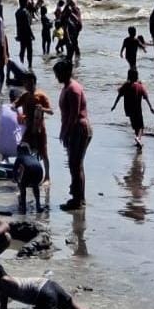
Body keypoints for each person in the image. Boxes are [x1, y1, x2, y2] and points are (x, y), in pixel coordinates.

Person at [54, 60, 90, 211]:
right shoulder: (67, 87)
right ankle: (79, 197)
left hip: (79, 129)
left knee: (75, 165)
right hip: (74, 129)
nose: (56, 76)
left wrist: (65, 132)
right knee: (75, 164)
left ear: (67, 72)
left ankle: (78, 200)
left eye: (58, 73)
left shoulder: (73, 89)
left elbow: (74, 115)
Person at [111, 68, 154, 150]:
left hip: (128, 110)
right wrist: (151, 107)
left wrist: (114, 105)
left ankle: (138, 142)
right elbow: (146, 97)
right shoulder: (140, 86)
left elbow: (119, 96)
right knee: (141, 126)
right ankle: (138, 138)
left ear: (128, 76)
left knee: (135, 126)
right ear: (137, 76)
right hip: (137, 110)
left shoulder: (125, 86)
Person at [13, 142, 46, 213]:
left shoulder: (20, 157)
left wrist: (17, 181)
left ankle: (23, 207)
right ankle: (38, 206)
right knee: (35, 185)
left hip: (29, 171)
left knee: (22, 185)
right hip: (39, 172)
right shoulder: (33, 157)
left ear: (20, 151)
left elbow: (14, 171)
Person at [0, 92, 24, 160]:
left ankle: (4, 160)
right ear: (19, 98)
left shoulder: (3, 107)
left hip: (0, 148)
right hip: (17, 149)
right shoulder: (22, 109)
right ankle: (21, 162)